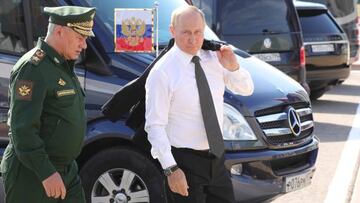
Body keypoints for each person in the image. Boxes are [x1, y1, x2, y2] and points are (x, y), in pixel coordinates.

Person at [145, 5, 254, 203]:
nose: (193, 39)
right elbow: (154, 126)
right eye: (186, 32)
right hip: (183, 163)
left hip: (217, 159)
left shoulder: (214, 58)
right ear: (172, 31)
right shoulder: (163, 72)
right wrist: (171, 169)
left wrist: (234, 67)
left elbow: (246, 89)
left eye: (198, 32)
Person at [0, 6, 95, 203]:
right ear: (59, 31)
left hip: (66, 170)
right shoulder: (33, 68)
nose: (84, 45)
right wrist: (46, 173)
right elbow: (22, 129)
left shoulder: (62, 65)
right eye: (80, 38)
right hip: (34, 174)